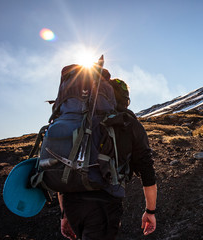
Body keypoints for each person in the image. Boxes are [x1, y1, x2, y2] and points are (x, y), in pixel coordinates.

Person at [57, 78, 157, 240]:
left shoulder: (79, 121)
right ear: (125, 99)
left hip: (71, 203)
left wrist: (64, 214)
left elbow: (62, 165)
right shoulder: (128, 123)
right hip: (103, 203)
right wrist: (150, 211)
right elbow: (147, 170)